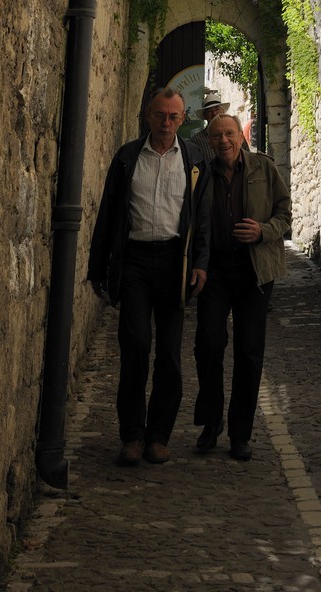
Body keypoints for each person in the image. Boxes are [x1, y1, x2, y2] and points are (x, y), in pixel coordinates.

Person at [87, 87, 210, 466]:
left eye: (174, 117)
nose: (167, 123)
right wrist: (98, 268)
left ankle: (159, 436)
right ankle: (132, 436)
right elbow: (108, 214)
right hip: (136, 262)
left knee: (170, 356)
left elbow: (201, 219)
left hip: (175, 263)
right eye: (160, 115)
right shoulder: (127, 157)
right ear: (148, 115)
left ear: (183, 117)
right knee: (136, 345)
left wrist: (200, 262)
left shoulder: (194, 160)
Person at [191, 113, 291, 461]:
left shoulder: (263, 168)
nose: (224, 141)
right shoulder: (200, 172)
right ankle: (211, 422)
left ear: (239, 136)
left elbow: (285, 212)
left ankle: (240, 433)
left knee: (249, 352)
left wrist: (264, 230)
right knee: (208, 345)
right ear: (210, 139)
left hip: (255, 271)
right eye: (217, 135)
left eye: (229, 134)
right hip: (215, 270)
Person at [188, 90, 229, 162]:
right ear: (205, 115)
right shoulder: (196, 140)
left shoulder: (235, 134)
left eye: (217, 109)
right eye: (210, 111)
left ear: (223, 111)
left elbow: (248, 160)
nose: (214, 113)